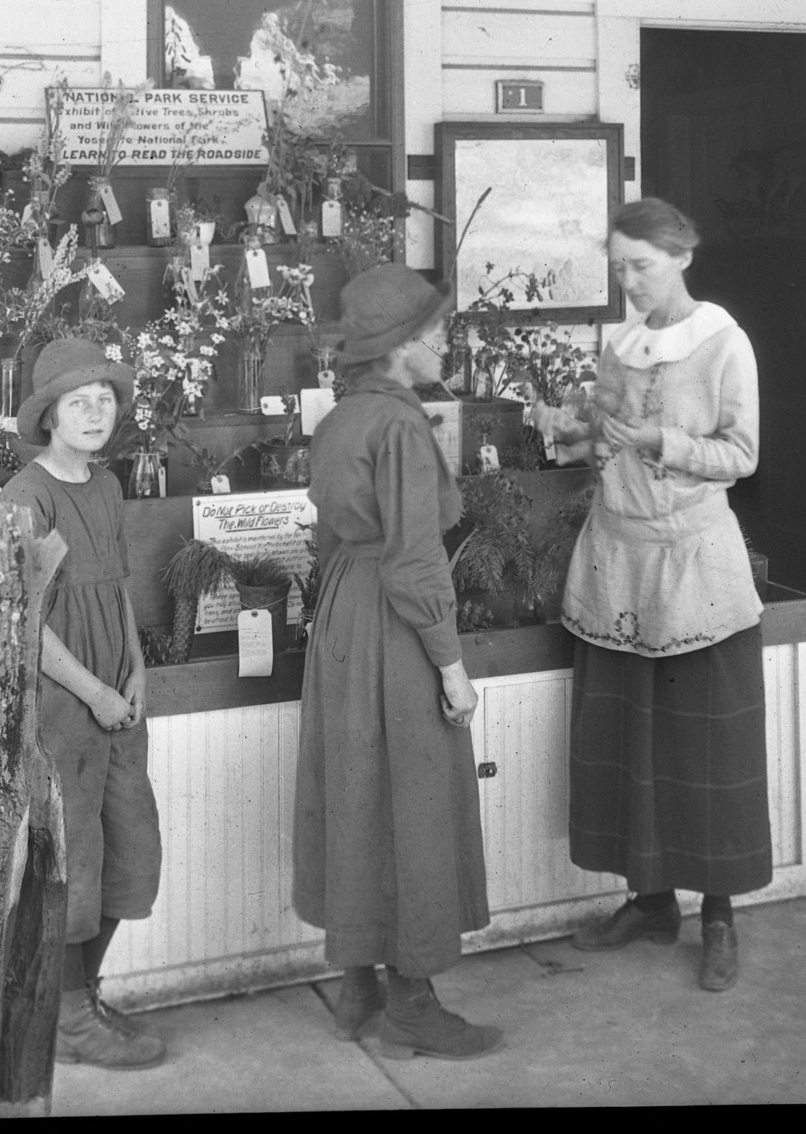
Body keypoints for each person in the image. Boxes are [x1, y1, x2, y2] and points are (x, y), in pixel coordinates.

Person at [532, 197, 770, 993]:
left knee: (700, 745)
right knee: (631, 736)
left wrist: (662, 443)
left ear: (682, 256)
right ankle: (649, 901)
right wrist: (573, 435)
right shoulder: (621, 345)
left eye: (641, 264)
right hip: (616, 557)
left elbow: (741, 454)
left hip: (691, 564)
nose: (628, 280)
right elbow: (606, 440)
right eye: (619, 266)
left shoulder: (723, 343)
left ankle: (720, 917)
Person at [293, 262, 502, 1061]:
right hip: (394, 618)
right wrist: (450, 668)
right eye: (435, 331)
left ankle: (357, 987)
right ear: (403, 348)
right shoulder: (403, 427)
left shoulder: (344, 418)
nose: (444, 341)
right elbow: (416, 563)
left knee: (356, 789)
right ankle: (411, 1003)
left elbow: (337, 538)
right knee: (414, 798)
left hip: (345, 611)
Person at [0, 339, 166, 1070]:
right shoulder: (24, 497)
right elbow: (20, 625)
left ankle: (83, 997)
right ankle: (65, 1020)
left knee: (130, 847)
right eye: (79, 402)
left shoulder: (105, 486)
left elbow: (116, 588)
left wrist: (134, 674)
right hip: (60, 705)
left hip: (115, 699)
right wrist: (94, 691)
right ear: (49, 417)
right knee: (72, 863)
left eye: (105, 399)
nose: (97, 413)